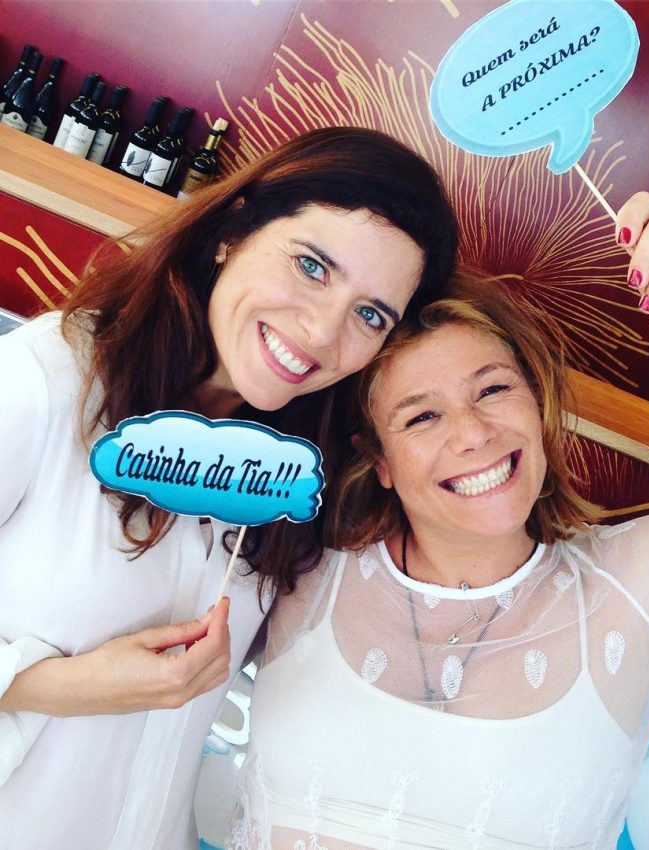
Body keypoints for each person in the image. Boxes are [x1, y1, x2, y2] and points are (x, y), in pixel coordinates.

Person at [228, 191, 649, 849]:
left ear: (537, 402)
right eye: (422, 416)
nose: (473, 434)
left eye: (493, 389)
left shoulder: (635, 586)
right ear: (379, 459)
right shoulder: (298, 561)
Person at [0, 127, 458, 850]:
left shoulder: (299, 476)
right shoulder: (48, 382)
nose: (322, 331)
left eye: (370, 314)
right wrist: (60, 685)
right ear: (232, 232)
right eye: (312, 266)